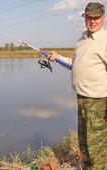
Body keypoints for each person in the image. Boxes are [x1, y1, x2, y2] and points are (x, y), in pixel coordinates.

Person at [49, 2, 107, 170]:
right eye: (89, 17)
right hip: (82, 99)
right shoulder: (82, 40)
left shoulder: (104, 40)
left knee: (96, 146)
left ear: (103, 18)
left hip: (98, 102)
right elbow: (75, 64)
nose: (92, 21)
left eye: (96, 17)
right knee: (84, 143)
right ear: (84, 18)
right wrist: (58, 57)